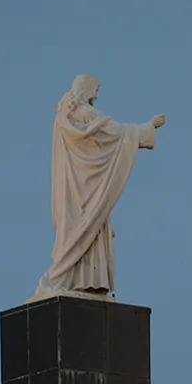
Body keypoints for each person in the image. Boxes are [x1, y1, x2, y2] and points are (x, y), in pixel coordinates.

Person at [30, 73, 167, 302]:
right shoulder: (86, 114)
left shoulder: (63, 118)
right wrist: (150, 125)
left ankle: (79, 283)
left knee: (75, 233)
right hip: (88, 192)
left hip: (72, 188)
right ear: (86, 90)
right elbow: (116, 133)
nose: (96, 95)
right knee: (86, 229)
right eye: (95, 90)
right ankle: (60, 279)